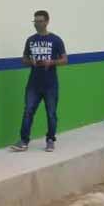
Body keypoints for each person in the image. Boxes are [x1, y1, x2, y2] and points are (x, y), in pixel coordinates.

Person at [10, 10, 67, 152]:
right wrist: (31, 62)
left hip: (50, 84)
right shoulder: (30, 40)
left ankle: (50, 140)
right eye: (35, 21)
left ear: (47, 21)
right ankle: (23, 141)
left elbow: (65, 60)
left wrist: (51, 62)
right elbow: (23, 59)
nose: (37, 24)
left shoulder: (56, 40)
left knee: (51, 113)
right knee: (28, 111)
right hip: (33, 84)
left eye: (40, 21)